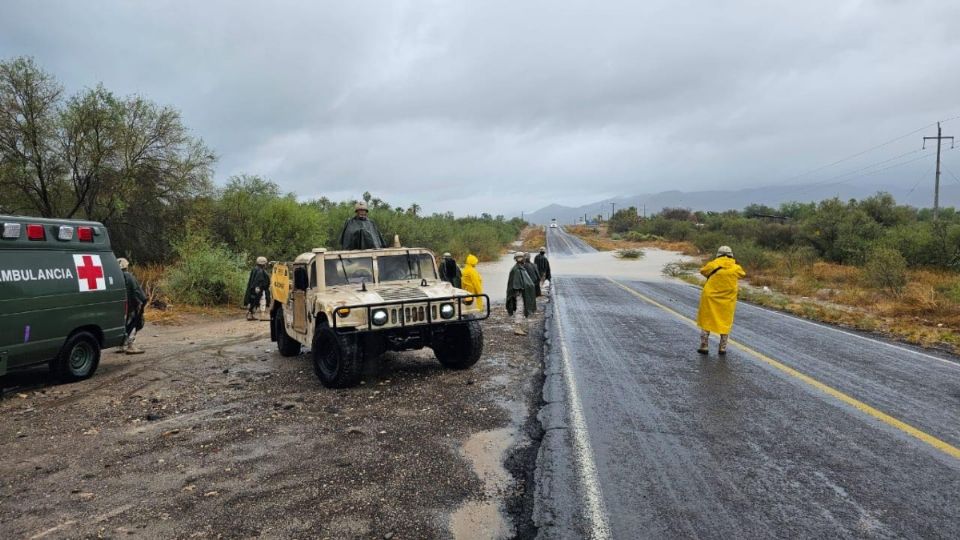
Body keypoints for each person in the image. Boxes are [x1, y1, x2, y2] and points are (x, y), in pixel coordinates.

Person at [696, 245, 746, 355]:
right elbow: (742, 274)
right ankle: (722, 348)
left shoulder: (713, 264)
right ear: (731, 254)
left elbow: (703, 271)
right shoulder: (736, 267)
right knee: (725, 322)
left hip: (710, 297)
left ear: (718, 254)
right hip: (728, 299)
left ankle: (704, 345)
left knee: (706, 320)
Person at [117, 258, 147, 355]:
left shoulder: (116, 277)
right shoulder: (129, 277)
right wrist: (140, 304)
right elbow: (136, 292)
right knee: (135, 324)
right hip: (131, 306)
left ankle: (121, 345)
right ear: (126, 266)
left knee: (124, 325)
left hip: (121, 307)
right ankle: (130, 346)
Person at [506, 252, 537, 335]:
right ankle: (517, 328)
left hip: (520, 292)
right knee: (520, 309)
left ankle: (519, 326)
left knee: (521, 309)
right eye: (522, 258)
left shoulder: (520, 268)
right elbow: (517, 285)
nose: (523, 259)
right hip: (519, 293)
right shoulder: (516, 269)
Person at [245, 257, 271, 321]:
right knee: (263, 301)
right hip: (260, 289)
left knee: (253, 300)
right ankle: (262, 316)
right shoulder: (260, 271)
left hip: (253, 288)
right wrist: (259, 288)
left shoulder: (254, 269)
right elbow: (259, 281)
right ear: (263, 264)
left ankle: (250, 315)